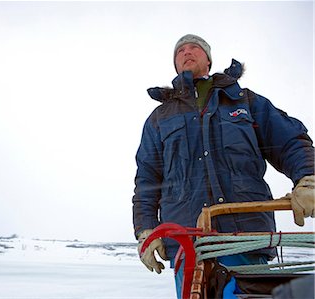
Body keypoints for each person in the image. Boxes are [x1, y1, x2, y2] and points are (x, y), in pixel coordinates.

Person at [132, 34, 315, 297]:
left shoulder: (244, 101)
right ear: (175, 63)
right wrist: (146, 229)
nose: (187, 52)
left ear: (208, 59)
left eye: (194, 47)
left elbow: (290, 142)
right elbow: (147, 180)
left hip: (245, 239)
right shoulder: (159, 119)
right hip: (189, 246)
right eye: (180, 50)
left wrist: (307, 178)